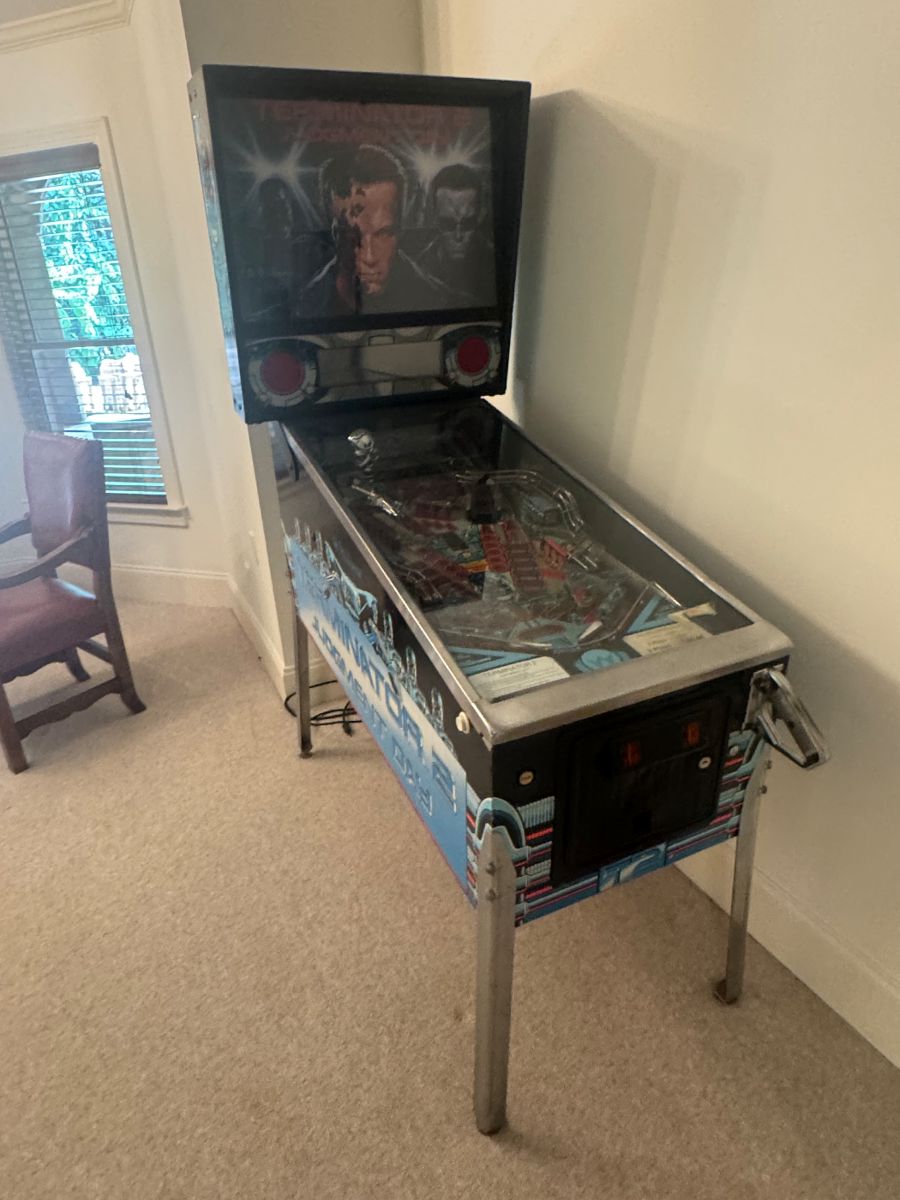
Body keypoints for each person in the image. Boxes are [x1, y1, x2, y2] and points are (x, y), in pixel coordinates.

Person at [302, 145, 441, 316]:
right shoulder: (303, 306)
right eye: (351, 236)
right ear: (333, 232)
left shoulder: (440, 300)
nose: (369, 257)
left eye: (383, 234)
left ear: (400, 229)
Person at [416, 164, 496, 307]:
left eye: (467, 224)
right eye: (448, 224)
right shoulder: (420, 269)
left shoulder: (495, 267)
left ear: (480, 216)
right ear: (435, 218)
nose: (458, 236)